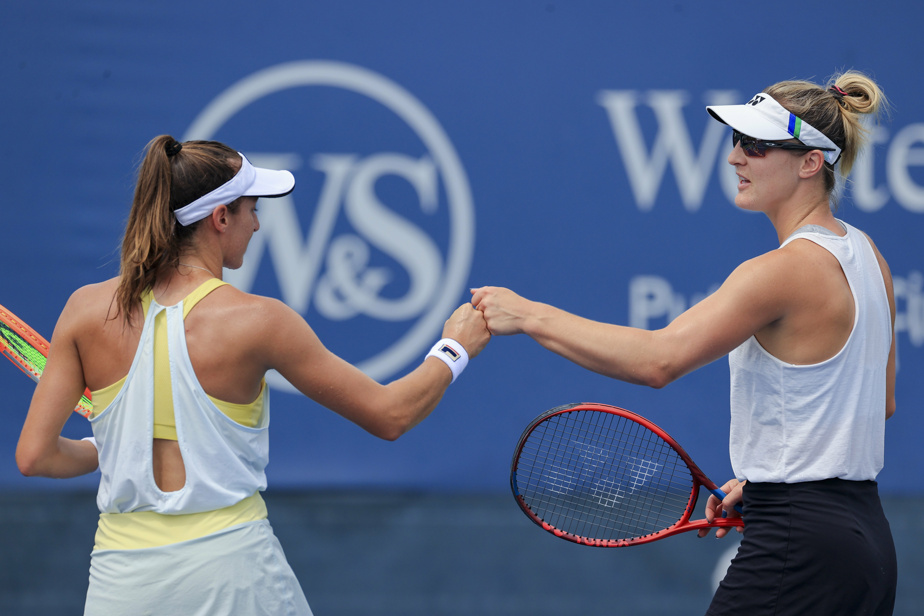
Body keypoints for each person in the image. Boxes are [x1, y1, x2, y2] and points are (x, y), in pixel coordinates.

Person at [472, 69, 897, 615]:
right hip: (865, 544)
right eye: (737, 141)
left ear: (811, 162)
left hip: (799, 545)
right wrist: (769, 477)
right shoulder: (868, 255)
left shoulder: (780, 271)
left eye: (757, 146)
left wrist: (529, 314)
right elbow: (877, 404)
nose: (734, 158)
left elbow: (658, 360)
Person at [16, 135, 490, 616]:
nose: (258, 224)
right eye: (252, 209)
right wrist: (455, 349)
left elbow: (35, 457)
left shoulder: (84, 310)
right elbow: (391, 415)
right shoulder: (259, 321)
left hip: (121, 585)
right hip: (230, 574)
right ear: (220, 217)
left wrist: (111, 446)